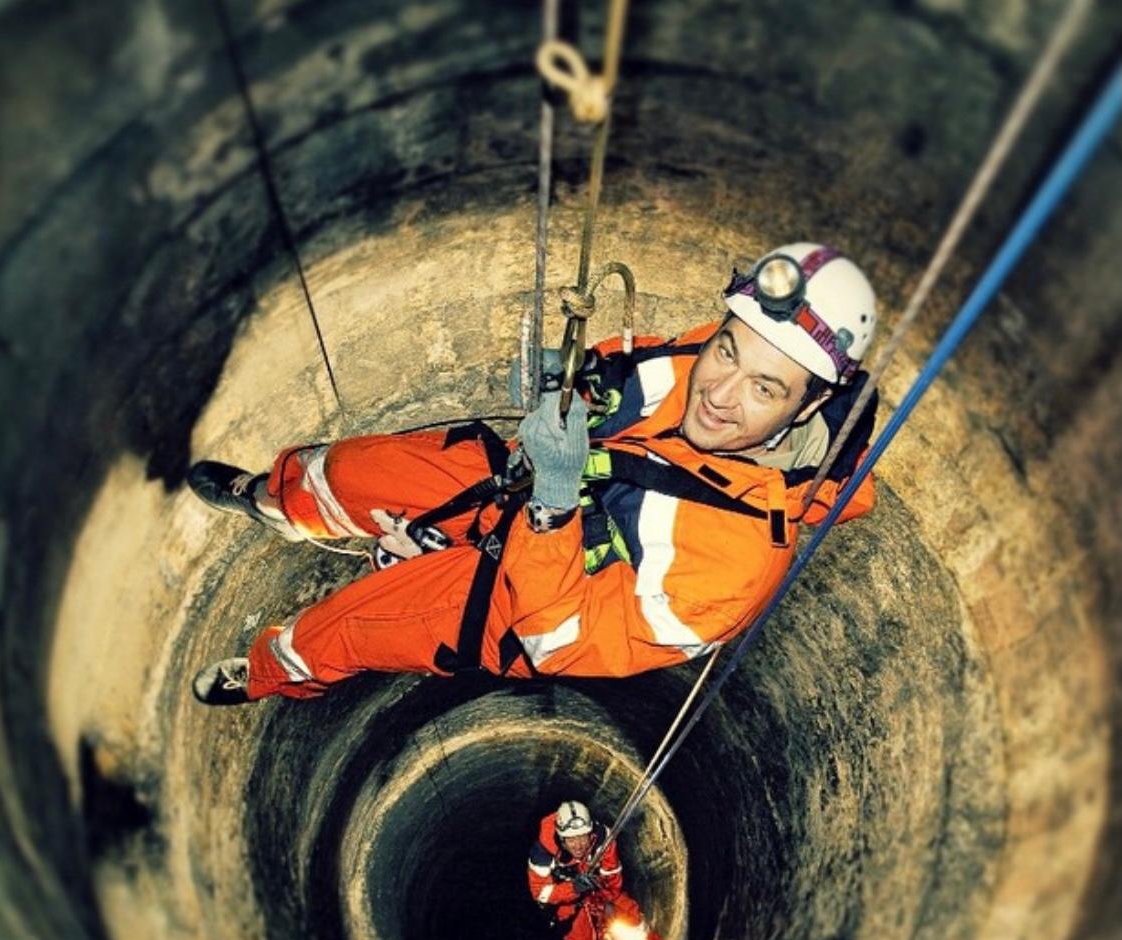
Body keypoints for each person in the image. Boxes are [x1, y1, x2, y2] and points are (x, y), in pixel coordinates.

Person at [188, 242, 878, 705]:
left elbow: (561, 640)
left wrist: (551, 505)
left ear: (811, 401)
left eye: (764, 389)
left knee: (351, 626)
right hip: (534, 484)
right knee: (355, 469)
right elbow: (636, 374)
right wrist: (575, 382)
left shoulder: (733, 569)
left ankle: (270, 671)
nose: (720, 392)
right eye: (726, 349)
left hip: (528, 594)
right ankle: (274, 499)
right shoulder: (734, 350)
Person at [526, 800, 683, 940]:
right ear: (561, 837)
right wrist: (572, 889)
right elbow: (540, 892)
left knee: (634, 926)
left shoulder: (603, 838)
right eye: (571, 839)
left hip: (600, 889)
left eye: (583, 835)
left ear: (590, 831)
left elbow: (613, 874)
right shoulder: (542, 854)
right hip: (568, 904)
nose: (579, 844)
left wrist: (608, 903)